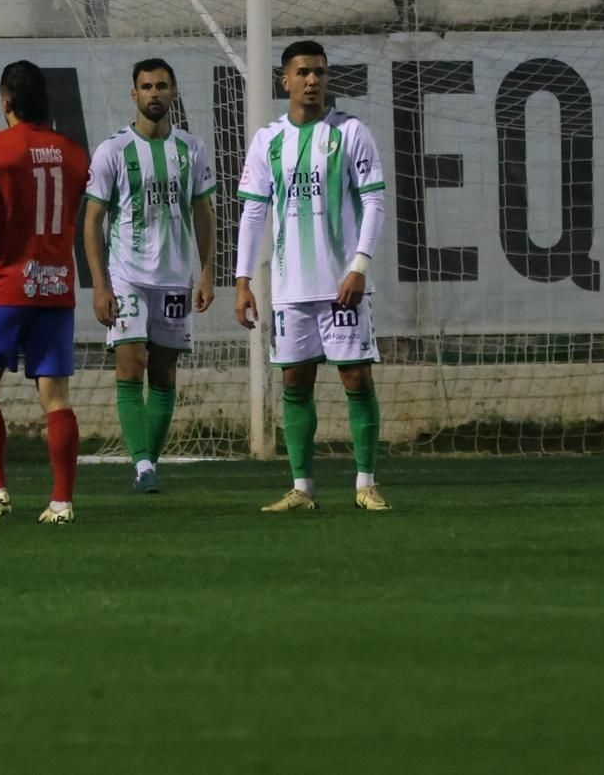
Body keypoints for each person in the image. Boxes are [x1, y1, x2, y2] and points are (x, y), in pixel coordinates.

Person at [235, 40, 390, 512]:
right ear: (285, 80)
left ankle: (365, 483)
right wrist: (242, 280)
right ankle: (302, 488)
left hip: (342, 285)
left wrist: (359, 266)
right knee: (295, 384)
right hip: (290, 289)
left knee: (357, 379)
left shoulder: (351, 133)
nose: (312, 81)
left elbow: (375, 202)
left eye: (320, 72)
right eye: (303, 72)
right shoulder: (268, 140)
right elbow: (254, 213)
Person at [0, 61, 90, 525]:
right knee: (57, 397)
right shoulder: (73, 154)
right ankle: (62, 503)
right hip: (56, 286)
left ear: (5, 101)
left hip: (7, 284)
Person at [83, 58, 215, 493]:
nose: (154, 93)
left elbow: (203, 211)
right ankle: (141, 464)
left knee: (163, 374)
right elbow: (93, 220)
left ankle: (148, 464)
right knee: (131, 362)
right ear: (133, 94)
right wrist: (100, 284)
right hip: (127, 277)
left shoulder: (191, 149)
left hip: (175, 276)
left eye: (161, 86)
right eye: (146, 86)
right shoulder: (113, 150)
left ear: (173, 92)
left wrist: (209, 271)